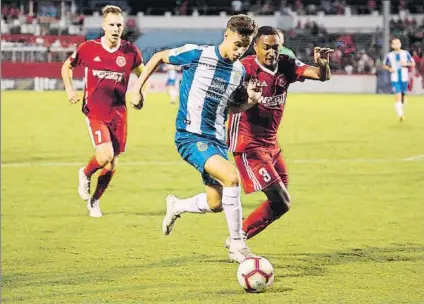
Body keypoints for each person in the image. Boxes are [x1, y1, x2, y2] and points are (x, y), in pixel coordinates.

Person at [131, 14, 262, 263]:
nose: (239, 51)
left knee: (216, 204)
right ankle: (237, 245)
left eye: (244, 46)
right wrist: (137, 89)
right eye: (237, 44)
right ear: (226, 35)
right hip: (190, 137)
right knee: (232, 178)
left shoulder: (238, 72)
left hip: (217, 141)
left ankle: (177, 206)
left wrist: (250, 102)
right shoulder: (197, 54)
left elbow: (228, 108)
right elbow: (159, 56)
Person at [226, 26, 332, 243]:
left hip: (271, 145)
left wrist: (322, 64)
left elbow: (321, 76)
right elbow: (224, 101)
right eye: (266, 47)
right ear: (255, 47)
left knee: (281, 203)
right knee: (281, 200)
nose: (272, 52)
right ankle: (238, 239)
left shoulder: (286, 64)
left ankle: (239, 235)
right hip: (248, 145)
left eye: (276, 47)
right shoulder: (243, 69)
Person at [61, 5, 145, 217]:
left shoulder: (130, 51)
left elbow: (142, 73)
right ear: (103, 26)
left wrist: (139, 92)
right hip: (95, 111)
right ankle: (86, 173)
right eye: (112, 25)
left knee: (112, 162)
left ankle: (95, 201)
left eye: (119, 25)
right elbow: (67, 66)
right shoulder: (88, 48)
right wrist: (69, 89)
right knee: (105, 154)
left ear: (123, 26)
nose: (116, 28)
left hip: (119, 113)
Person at [383, 38, 415, 121]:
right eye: (395, 43)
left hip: (404, 78)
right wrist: (390, 69)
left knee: (403, 97)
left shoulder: (406, 53)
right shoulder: (389, 55)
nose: (397, 44)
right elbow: (384, 65)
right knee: (398, 96)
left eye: (398, 43)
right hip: (395, 78)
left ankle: (400, 106)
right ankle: (400, 115)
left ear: (400, 44)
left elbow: (413, 63)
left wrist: (406, 64)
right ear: (392, 46)